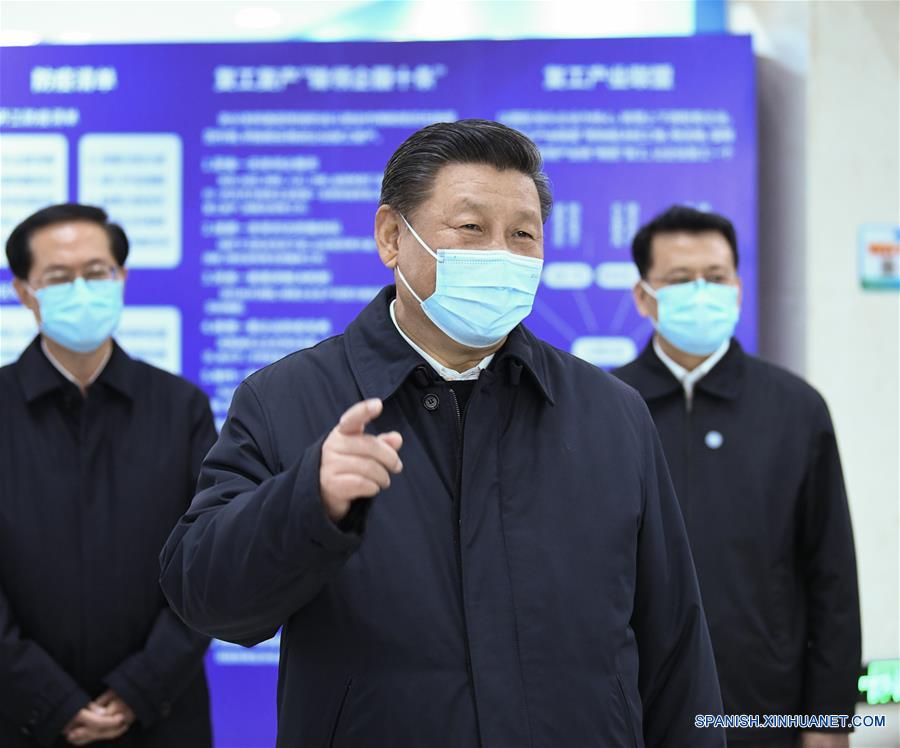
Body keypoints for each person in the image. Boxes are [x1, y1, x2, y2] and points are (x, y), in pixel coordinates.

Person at [160, 119, 726, 748]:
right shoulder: (286, 401)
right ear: (391, 238)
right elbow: (204, 595)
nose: (502, 256)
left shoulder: (611, 413)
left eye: (523, 235)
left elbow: (676, 646)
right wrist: (306, 504)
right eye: (471, 229)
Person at [613, 206, 861, 748]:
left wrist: (830, 718)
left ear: (738, 288)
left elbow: (831, 573)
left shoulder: (795, 409)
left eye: (716, 277)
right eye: (680, 279)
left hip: (764, 711)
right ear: (643, 296)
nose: (701, 292)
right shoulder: (604, 408)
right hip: (634, 708)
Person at [0, 204, 216, 747]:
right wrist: (49, 700)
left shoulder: (180, 407)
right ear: (26, 292)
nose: (81, 289)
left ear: (121, 278)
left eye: (96, 273)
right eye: (57, 277)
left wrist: (138, 689)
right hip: (16, 716)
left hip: (160, 716)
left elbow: (209, 560)